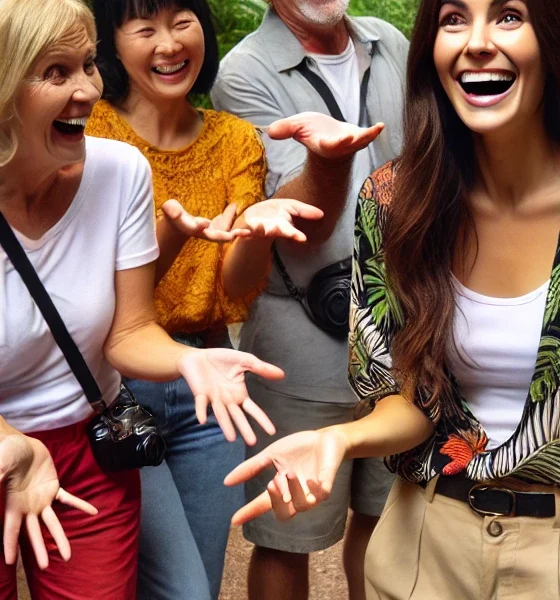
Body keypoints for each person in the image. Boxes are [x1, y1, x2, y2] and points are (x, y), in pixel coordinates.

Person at [223, 0, 560, 597]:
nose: (478, 42)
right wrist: (340, 438)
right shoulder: (394, 202)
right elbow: (409, 402)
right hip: (425, 542)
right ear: (430, 52)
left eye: (509, 16)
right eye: (453, 19)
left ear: (554, 40)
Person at [0, 0, 286, 598]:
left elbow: (129, 330)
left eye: (86, 66)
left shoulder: (119, 170)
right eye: (56, 73)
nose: (84, 90)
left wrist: (191, 359)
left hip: (90, 441)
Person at [85, 0, 323, 598]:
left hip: (210, 390)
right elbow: (102, 298)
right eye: (144, 28)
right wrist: (172, 231)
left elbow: (238, 288)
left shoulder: (234, 139)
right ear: (112, 44)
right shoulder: (90, 131)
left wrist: (256, 233)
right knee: (174, 588)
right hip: (117, 384)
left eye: (182, 22)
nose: (168, 44)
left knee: (202, 584)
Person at [210, 0, 407, 598]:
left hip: (406, 324)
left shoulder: (388, 43)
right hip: (301, 331)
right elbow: (307, 223)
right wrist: (329, 158)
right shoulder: (245, 71)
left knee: (389, 517)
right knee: (284, 532)